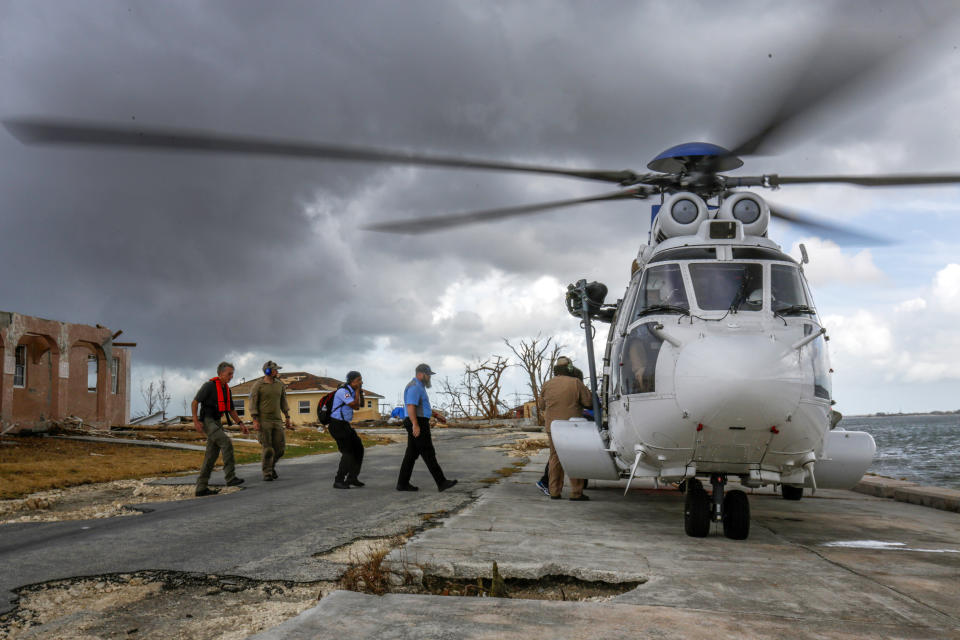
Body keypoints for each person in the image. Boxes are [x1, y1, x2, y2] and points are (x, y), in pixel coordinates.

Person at [396, 363, 457, 493]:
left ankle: (402, 483)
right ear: (421, 374)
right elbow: (411, 407)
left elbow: (421, 406)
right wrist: (415, 425)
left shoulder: (419, 386)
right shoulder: (414, 387)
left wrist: (436, 415)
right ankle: (441, 482)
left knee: (411, 455)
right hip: (417, 422)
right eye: (428, 375)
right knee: (428, 452)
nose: (430, 377)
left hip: (418, 420)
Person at [191, 361, 248, 497]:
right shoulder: (209, 386)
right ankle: (230, 478)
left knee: (211, 455)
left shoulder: (226, 389)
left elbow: (231, 409)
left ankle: (201, 488)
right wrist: (196, 420)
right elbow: (195, 402)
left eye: (232, 374)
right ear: (221, 373)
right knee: (226, 443)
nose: (231, 377)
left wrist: (241, 423)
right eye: (229, 374)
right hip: (207, 421)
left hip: (217, 422)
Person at [540, 356, 592, 501]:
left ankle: (554, 492)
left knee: (555, 457)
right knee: (574, 456)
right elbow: (589, 402)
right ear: (570, 367)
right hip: (572, 427)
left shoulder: (547, 384)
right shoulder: (576, 383)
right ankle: (576, 492)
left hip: (553, 427)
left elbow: (541, 406)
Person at [249, 360, 294, 481]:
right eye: (275, 370)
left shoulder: (279, 385)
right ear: (268, 371)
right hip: (264, 421)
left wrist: (287, 417)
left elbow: (283, 401)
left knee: (280, 449)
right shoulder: (258, 386)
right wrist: (255, 420)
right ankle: (267, 473)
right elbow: (253, 403)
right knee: (268, 448)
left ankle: (271, 466)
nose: (277, 371)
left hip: (277, 421)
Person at [329, 371, 366, 489]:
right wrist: (356, 391)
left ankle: (352, 477)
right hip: (337, 425)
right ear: (352, 381)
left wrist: (360, 392)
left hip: (345, 425)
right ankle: (338, 480)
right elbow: (354, 405)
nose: (360, 382)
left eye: (361, 380)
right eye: (358, 380)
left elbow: (360, 405)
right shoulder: (343, 391)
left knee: (359, 448)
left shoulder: (352, 391)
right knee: (348, 452)